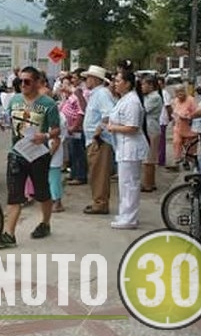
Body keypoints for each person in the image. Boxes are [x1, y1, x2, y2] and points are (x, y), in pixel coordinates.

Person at [0, 66, 60, 248]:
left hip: (38, 156)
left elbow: (57, 130)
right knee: (14, 195)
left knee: (42, 193)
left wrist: (46, 136)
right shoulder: (15, 100)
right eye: (20, 81)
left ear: (37, 82)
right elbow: (8, 120)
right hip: (17, 154)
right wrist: (4, 123)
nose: (23, 85)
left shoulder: (48, 104)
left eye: (27, 81)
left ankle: (45, 223)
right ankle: (9, 233)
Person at [106, 70, 149, 230]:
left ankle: (129, 217)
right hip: (123, 146)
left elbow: (132, 127)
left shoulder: (132, 102)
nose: (115, 83)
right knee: (125, 184)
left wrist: (112, 127)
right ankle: (125, 214)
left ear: (128, 83)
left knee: (129, 184)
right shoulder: (125, 99)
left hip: (130, 147)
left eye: (118, 81)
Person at [81, 65, 115, 215]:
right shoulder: (97, 93)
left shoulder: (101, 94)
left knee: (99, 172)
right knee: (95, 171)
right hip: (95, 139)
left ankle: (100, 203)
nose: (86, 80)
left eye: (88, 77)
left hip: (100, 140)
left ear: (94, 79)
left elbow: (108, 114)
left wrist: (98, 131)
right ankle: (98, 201)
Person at [62, 78, 88, 185]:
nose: (63, 87)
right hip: (70, 128)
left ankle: (80, 176)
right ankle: (74, 173)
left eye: (65, 85)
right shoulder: (69, 97)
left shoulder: (77, 95)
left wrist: (75, 126)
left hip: (76, 128)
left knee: (78, 152)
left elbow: (80, 112)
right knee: (73, 152)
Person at [140, 75, 163, 192]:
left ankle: (148, 184)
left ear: (151, 85)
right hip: (150, 127)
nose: (142, 87)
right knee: (150, 156)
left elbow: (144, 109)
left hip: (151, 128)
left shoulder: (154, 97)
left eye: (144, 84)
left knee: (149, 158)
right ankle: (150, 182)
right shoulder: (149, 96)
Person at [170, 84, 198, 166]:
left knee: (189, 148)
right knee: (176, 142)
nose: (180, 93)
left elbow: (196, 114)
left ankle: (189, 162)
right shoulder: (175, 101)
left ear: (185, 91)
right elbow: (174, 113)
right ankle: (178, 160)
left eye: (181, 91)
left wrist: (188, 117)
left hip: (189, 129)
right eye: (177, 92)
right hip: (178, 128)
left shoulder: (191, 100)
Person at [48, 110, 68, 212]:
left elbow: (57, 139)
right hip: (47, 148)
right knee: (50, 178)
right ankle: (53, 200)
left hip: (53, 149)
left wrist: (50, 154)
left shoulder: (57, 116)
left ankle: (57, 202)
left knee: (54, 178)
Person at [157, 76, 172, 167]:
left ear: (163, 84)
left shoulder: (164, 93)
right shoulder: (156, 93)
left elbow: (168, 107)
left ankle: (161, 159)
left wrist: (170, 117)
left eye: (160, 83)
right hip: (157, 120)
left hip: (162, 119)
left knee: (161, 141)